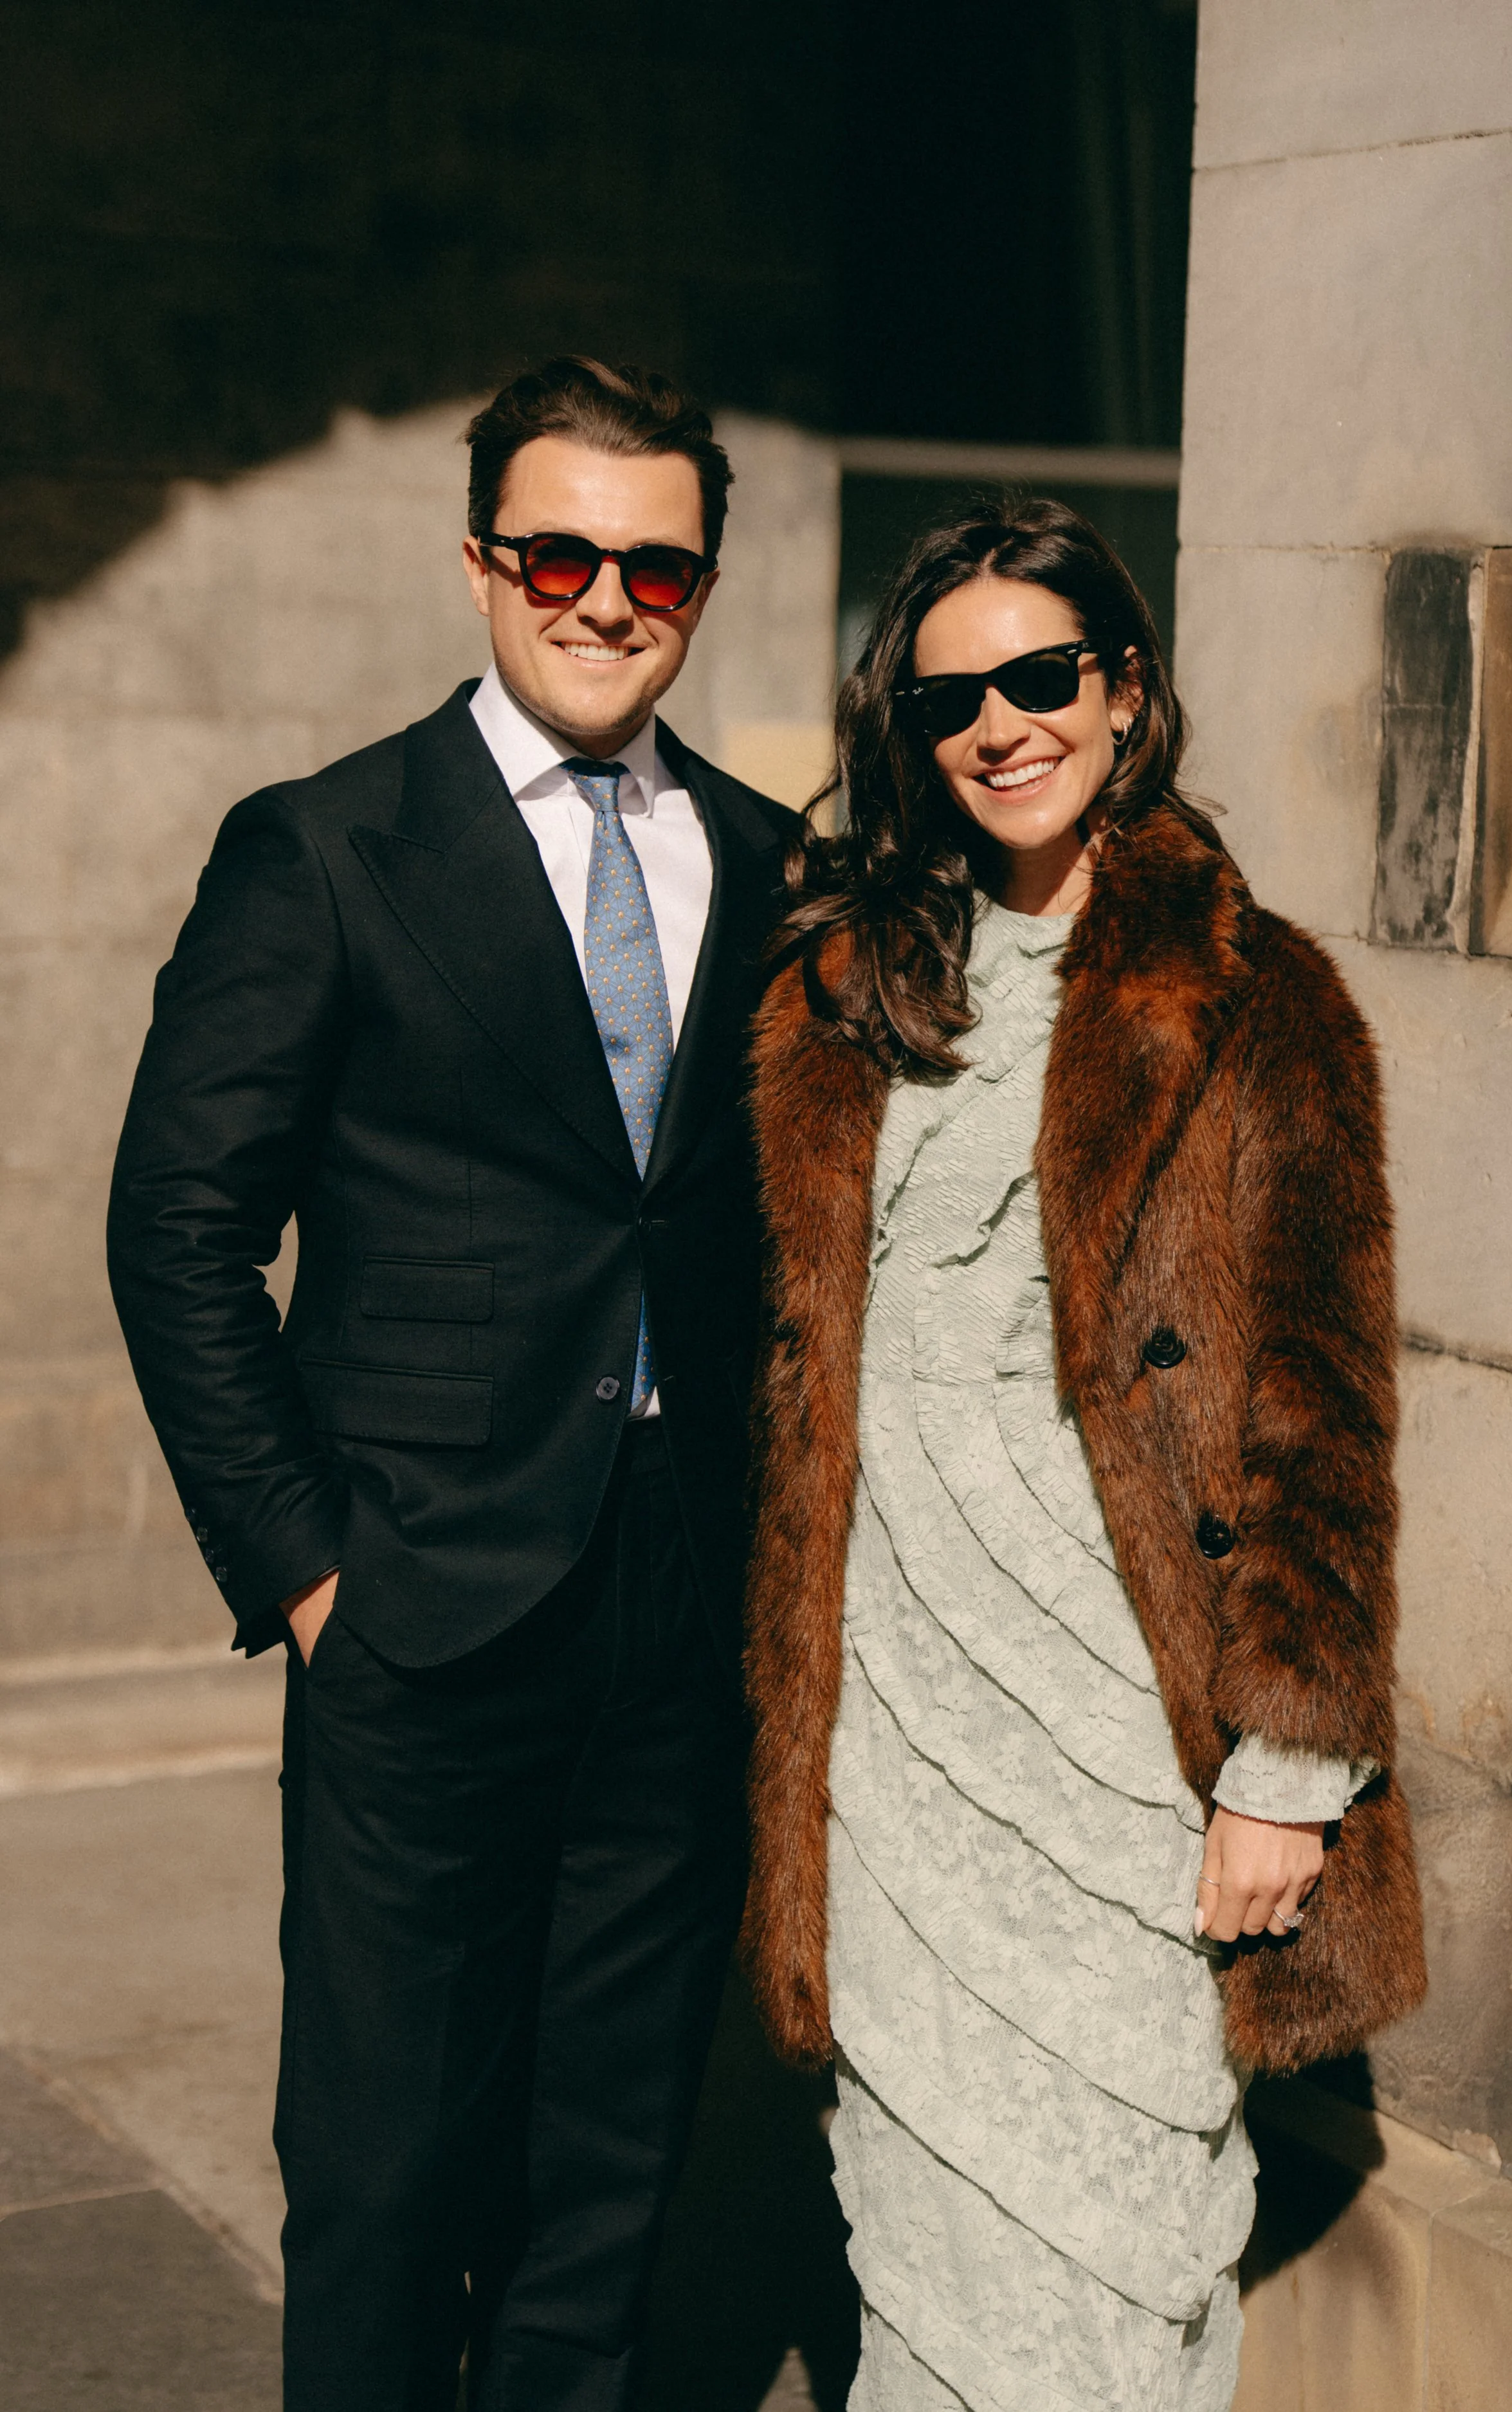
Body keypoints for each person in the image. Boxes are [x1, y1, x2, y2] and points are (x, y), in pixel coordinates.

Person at [106, 355, 795, 2411]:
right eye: (558, 550)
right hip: (416, 1617)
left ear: (703, 578)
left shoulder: (768, 861)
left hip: (676, 1631)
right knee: (393, 2177)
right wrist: (313, 1570)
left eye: (653, 562)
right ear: (482, 561)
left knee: (608, 2181)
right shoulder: (321, 848)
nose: (604, 597)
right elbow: (176, 1232)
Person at [739, 499, 1427, 2410]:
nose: (999, 725)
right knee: (927, 2269)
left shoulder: (1250, 991)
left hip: (1128, 1744)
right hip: (892, 1748)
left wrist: (1288, 1759)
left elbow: (1325, 1402)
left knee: (1115, 2266)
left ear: (1125, 692)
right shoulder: (851, 997)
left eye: (1042, 677)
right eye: (950, 696)